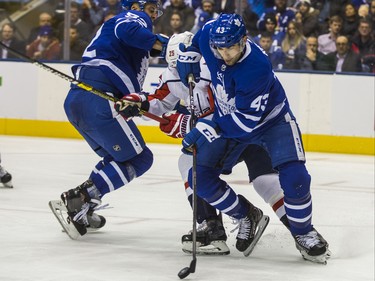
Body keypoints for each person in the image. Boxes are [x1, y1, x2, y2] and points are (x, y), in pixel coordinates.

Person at [175, 13, 331, 263]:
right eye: (220, 48)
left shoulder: (256, 66)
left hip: (271, 122)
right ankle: (246, 214)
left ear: (244, 40)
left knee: (296, 179)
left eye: (231, 48)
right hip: (229, 119)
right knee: (198, 177)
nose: (225, 54)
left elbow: (246, 123)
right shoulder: (211, 36)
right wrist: (191, 54)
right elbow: (199, 37)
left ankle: (304, 233)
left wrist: (208, 125)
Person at [138, 32, 289, 254]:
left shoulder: (218, 70)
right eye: (172, 66)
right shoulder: (172, 75)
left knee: (265, 182)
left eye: (180, 65)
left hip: (251, 131)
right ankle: (213, 226)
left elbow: (230, 113)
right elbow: (158, 101)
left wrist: (189, 124)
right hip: (223, 138)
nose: (177, 72)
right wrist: (138, 103)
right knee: (188, 163)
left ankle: (302, 233)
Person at [51, 0, 169, 238]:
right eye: (151, 8)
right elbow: (127, 30)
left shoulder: (118, 34)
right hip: (100, 99)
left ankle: (83, 204)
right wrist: (171, 47)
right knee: (140, 159)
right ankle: (80, 198)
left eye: (156, 11)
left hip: (77, 100)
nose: (153, 15)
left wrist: (163, 46)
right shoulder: (134, 17)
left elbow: (144, 45)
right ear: (135, 6)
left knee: (117, 160)